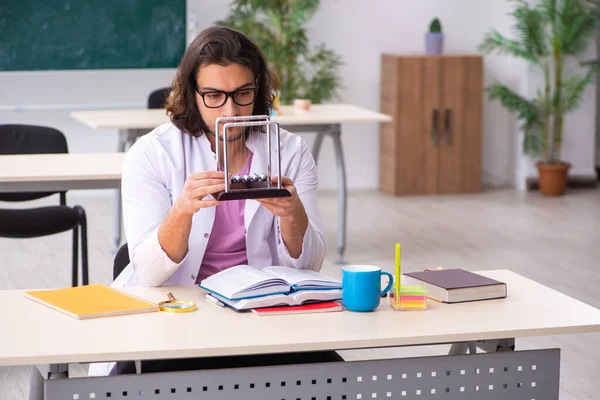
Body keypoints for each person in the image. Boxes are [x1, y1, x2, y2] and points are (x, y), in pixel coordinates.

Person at [82, 25, 342, 381]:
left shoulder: (289, 152)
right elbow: (150, 271)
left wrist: (293, 215)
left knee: (333, 376)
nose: (231, 109)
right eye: (215, 95)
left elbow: (309, 266)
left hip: (262, 316)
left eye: (243, 93)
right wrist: (182, 211)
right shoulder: (152, 153)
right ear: (192, 93)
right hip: (178, 315)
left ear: (259, 90)